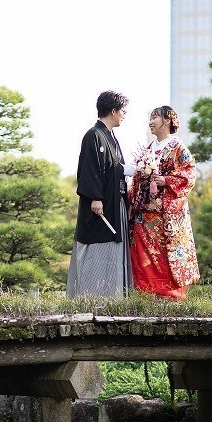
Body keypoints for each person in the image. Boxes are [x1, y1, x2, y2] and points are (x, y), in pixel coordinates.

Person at [66, 90, 136, 298]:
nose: (124, 115)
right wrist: (95, 197)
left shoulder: (111, 137)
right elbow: (89, 168)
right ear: (113, 111)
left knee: (114, 247)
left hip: (115, 203)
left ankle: (113, 296)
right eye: (123, 111)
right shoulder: (93, 135)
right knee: (96, 248)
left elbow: (113, 168)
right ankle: (91, 297)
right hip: (100, 206)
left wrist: (124, 171)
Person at [128, 105, 199, 299]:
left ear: (167, 120)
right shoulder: (150, 148)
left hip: (165, 213)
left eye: (155, 118)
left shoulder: (177, 147)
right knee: (143, 255)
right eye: (150, 118)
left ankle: (169, 295)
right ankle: (145, 294)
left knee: (165, 255)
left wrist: (166, 180)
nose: (151, 122)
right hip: (145, 212)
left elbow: (189, 174)